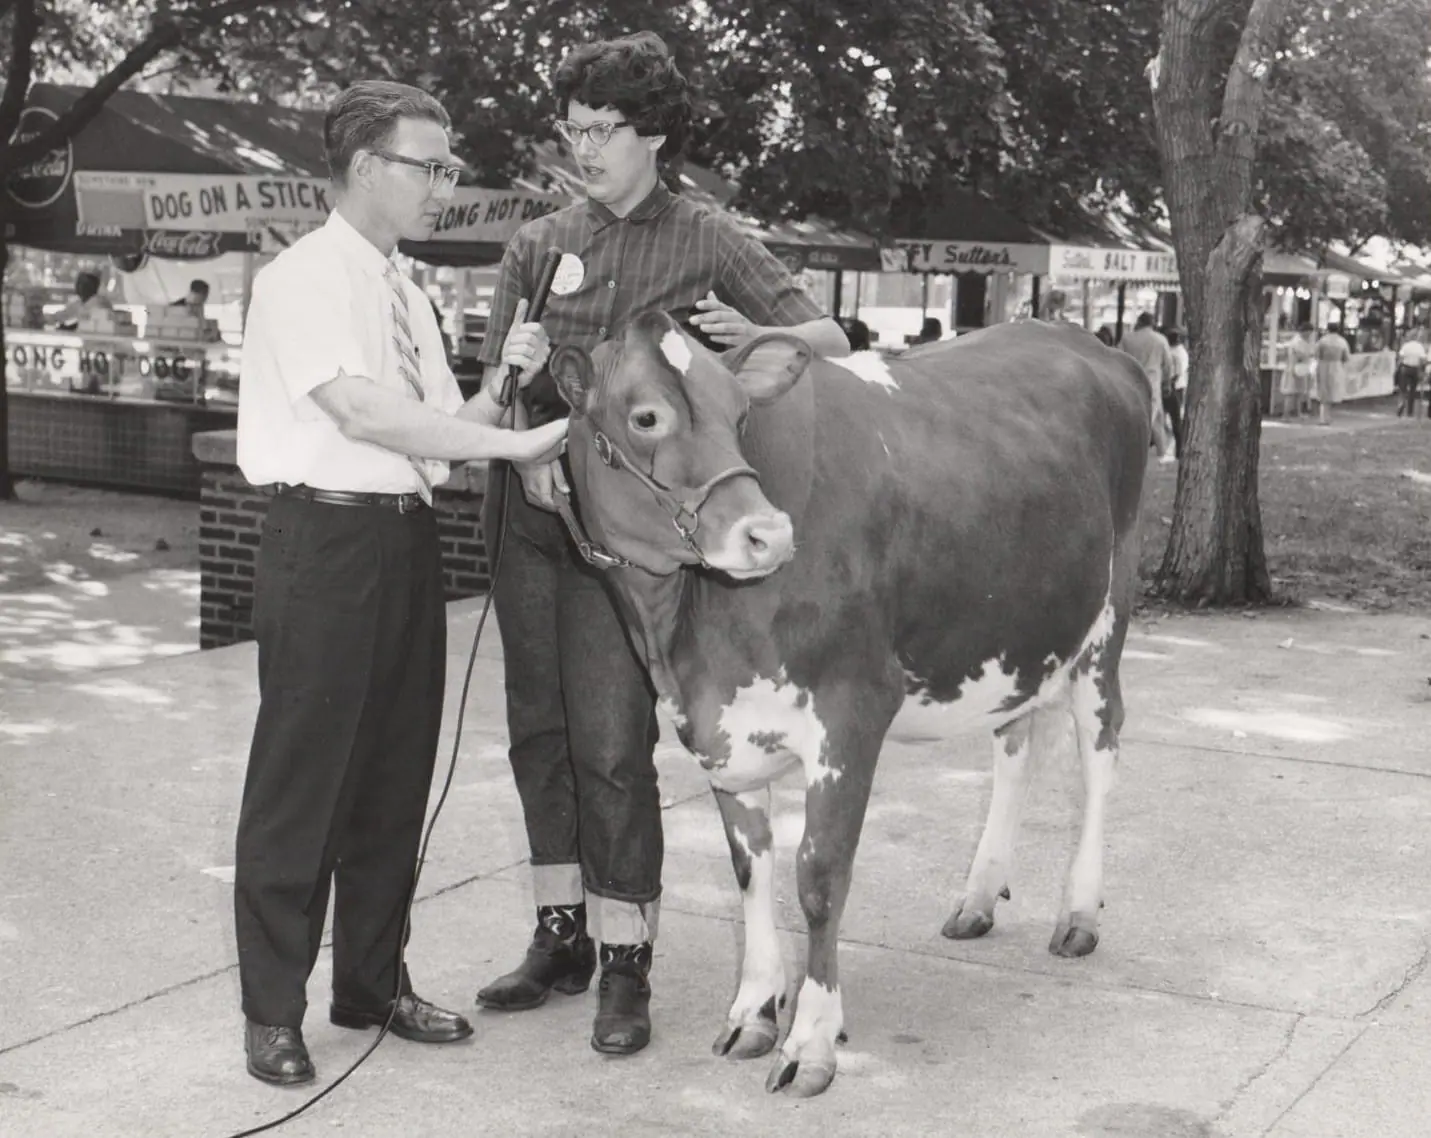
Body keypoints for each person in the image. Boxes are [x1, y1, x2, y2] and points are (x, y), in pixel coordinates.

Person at [471, 30, 849, 1058]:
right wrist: (512, 386)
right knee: (537, 735)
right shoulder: (536, 243)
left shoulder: (706, 237)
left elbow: (825, 340)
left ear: (655, 136)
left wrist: (743, 340)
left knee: (609, 747)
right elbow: (484, 406)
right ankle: (559, 933)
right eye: (573, 128)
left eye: (605, 130)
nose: (583, 147)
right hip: (528, 518)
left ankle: (625, 959)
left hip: (632, 542)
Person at [232, 79, 567, 1088]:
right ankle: (273, 1011)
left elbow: (439, 430)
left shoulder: (404, 288)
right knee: (304, 783)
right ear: (370, 166)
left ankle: (371, 984)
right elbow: (364, 415)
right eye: (433, 165)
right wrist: (511, 441)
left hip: (402, 542)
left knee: (389, 778)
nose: (446, 184)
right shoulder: (305, 278)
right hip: (324, 543)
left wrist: (503, 386)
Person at [1118, 312, 1175, 458]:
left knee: (1143, 417)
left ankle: (1153, 452)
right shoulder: (1160, 340)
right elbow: (1168, 364)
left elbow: (1117, 358)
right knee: (1153, 417)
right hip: (1152, 382)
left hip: (1130, 381)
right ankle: (1160, 454)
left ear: (1139, 322)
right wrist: (1167, 383)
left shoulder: (1127, 338)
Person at [1313, 322, 1351, 426]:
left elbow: (1316, 354)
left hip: (1323, 365)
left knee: (1323, 390)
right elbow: (1346, 357)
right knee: (1332, 390)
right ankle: (1327, 416)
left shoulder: (1322, 341)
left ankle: (1323, 416)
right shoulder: (1342, 341)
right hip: (1336, 367)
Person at [1279, 322, 1316, 420]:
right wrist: (1308, 356)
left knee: (1299, 393)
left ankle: (1298, 412)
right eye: (1309, 332)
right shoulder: (1297, 341)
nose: (1310, 335)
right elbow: (1299, 354)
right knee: (1290, 393)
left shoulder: (1304, 341)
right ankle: (1286, 415)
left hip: (1301, 368)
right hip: (1294, 368)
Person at [1164, 326, 1189, 458]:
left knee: (1174, 419)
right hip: (1176, 385)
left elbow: (1178, 371)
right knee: (1174, 419)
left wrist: (1170, 383)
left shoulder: (1174, 352)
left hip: (1174, 386)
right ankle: (1177, 448)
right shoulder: (1180, 352)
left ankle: (1177, 447)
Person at [1395, 327, 1427, 419]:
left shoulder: (1406, 346)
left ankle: (1401, 402)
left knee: (1402, 389)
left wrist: (1397, 367)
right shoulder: (1420, 347)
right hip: (1415, 369)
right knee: (1412, 390)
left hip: (1405, 368)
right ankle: (1410, 411)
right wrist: (1421, 369)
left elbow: (1401, 358)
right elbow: (1423, 359)